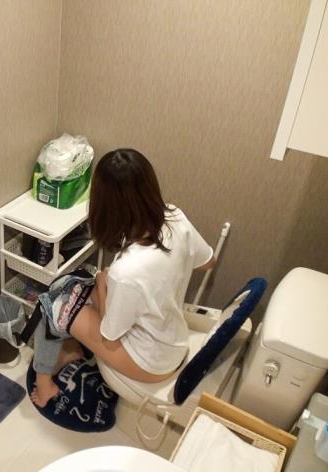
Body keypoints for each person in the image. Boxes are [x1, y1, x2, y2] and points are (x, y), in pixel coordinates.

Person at [31, 148, 216, 407]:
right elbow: (209, 262)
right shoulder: (175, 217)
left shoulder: (126, 271)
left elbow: (110, 334)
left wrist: (102, 284)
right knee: (81, 291)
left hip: (148, 362)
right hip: (174, 340)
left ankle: (45, 388)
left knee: (53, 303)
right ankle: (68, 353)